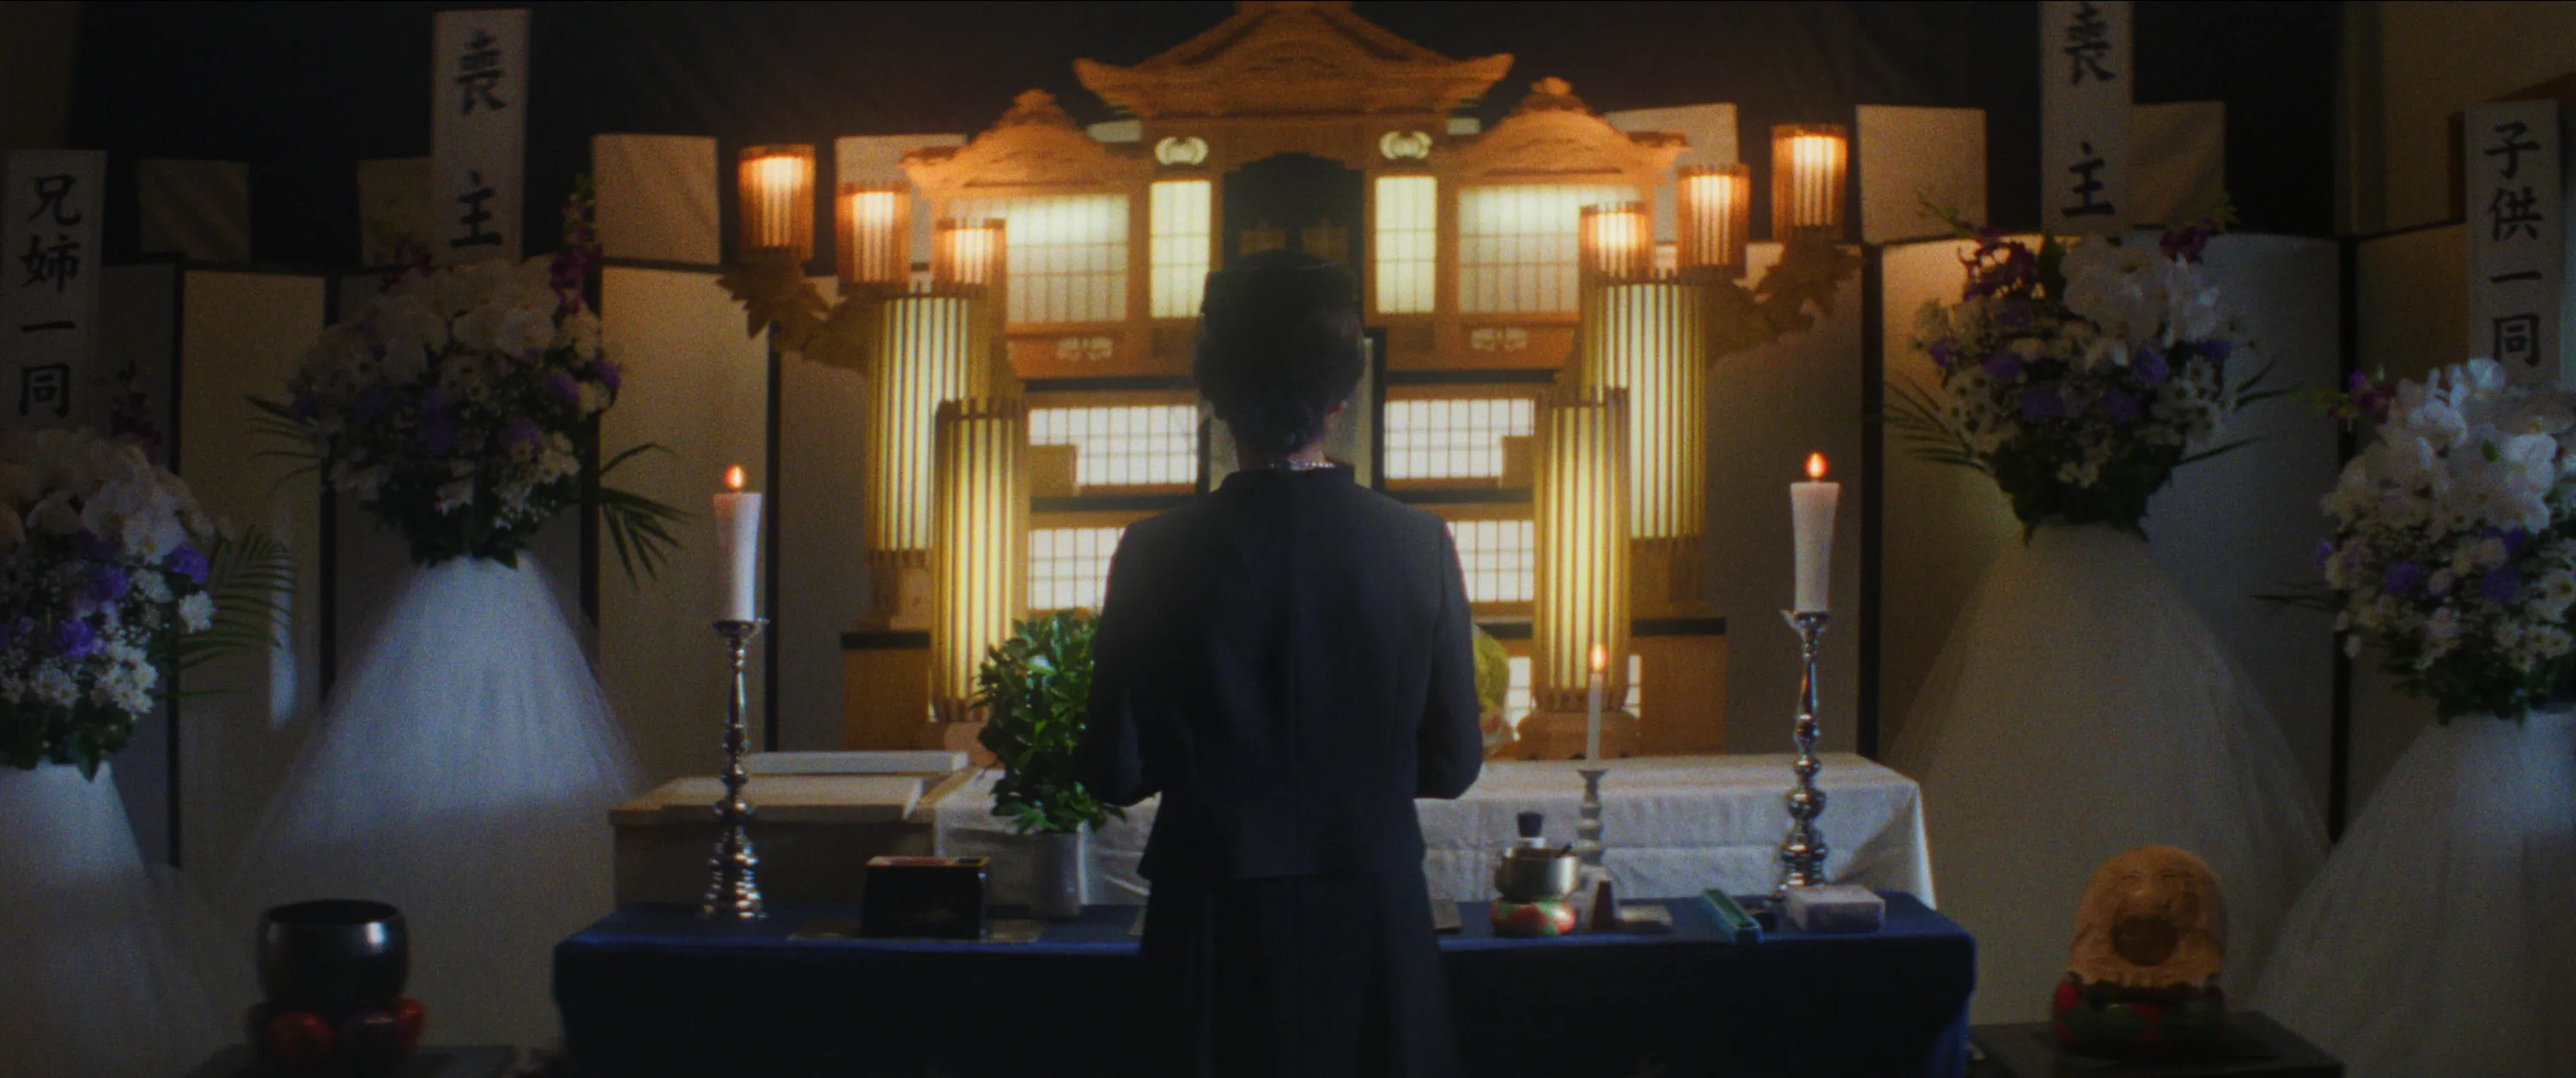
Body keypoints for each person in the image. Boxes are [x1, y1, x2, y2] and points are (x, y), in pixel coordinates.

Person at [1078, 249, 1485, 1078]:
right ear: (1341, 395)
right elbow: (1451, 765)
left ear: (1216, 394)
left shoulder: (1153, 551)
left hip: (1211, 915)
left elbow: (1113, 770)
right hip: (1373, 911)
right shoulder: (1419, 544)